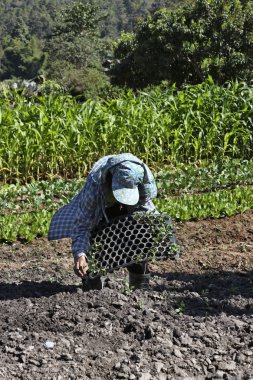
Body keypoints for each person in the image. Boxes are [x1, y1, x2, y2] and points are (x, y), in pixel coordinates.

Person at [48, 153, 159, 288]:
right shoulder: (95, 190)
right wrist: (80, 255)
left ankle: (140, 285)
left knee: (139, 238)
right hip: (101, 213)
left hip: (130, 213)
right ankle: (91, 286)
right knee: (95, 244)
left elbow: (148, 212)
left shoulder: (140, 182)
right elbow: (83, 226)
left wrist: (157, 232)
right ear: (109, 183)